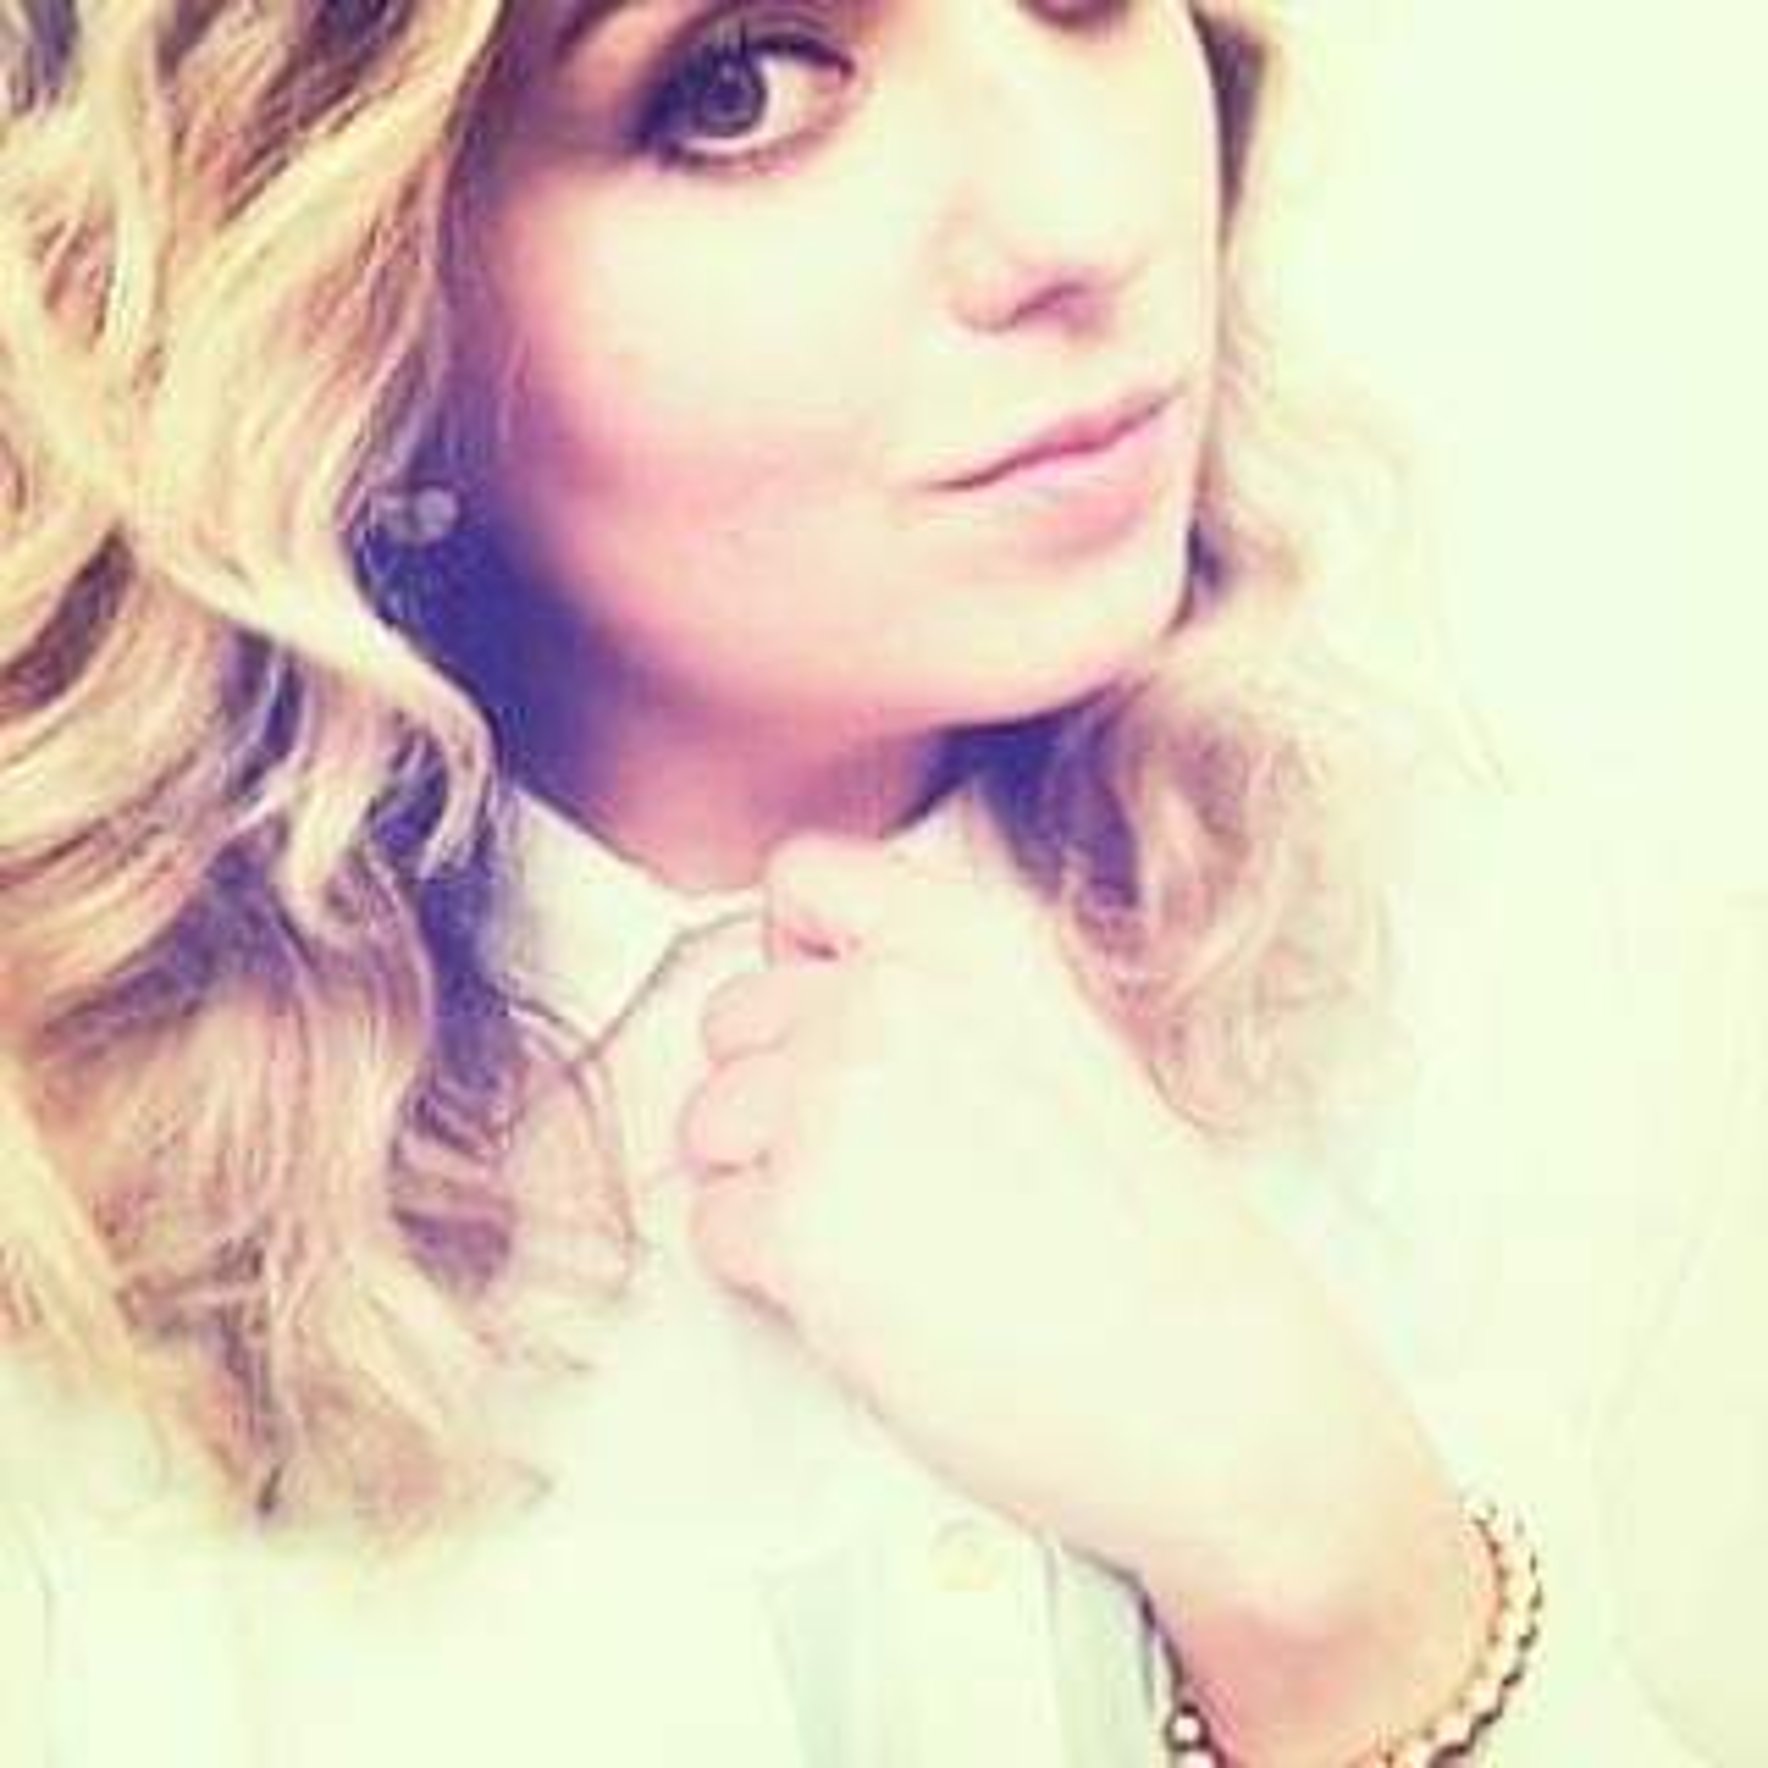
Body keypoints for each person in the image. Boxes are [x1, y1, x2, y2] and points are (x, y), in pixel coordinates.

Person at [0, 1, 1750, 1762]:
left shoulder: (1545, 984)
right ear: (314, 294)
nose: (1081, 220)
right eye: (739, 87)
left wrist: (1344, 1592)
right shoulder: (64, 1287)